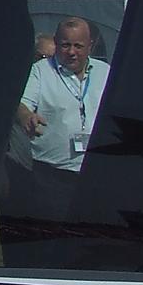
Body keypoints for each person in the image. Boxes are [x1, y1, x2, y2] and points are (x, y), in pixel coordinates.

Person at [14, 17, 110, 219]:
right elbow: (22, 103)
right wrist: (26, 116)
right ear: (57, 43)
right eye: (65, 45)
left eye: (78, 46)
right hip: (52, 178)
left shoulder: (105, 72)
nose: (72, 52)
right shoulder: (40, 71)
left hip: (94, 175)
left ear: (90, 46)